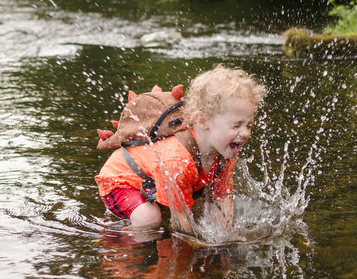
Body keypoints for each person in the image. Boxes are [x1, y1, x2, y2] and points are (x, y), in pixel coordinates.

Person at [94, 64, 265, 234]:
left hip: (156, 182)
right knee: (149, 218)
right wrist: (194, 249)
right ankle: (116, 240)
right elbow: (180, 221)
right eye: (236, 125)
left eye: (248, 125)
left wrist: (229, 236)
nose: (244, 133)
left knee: (210, 214)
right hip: (122, 181)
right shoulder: (178, 161)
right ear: (203, 121)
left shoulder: (224, 154)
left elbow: (223, 199)